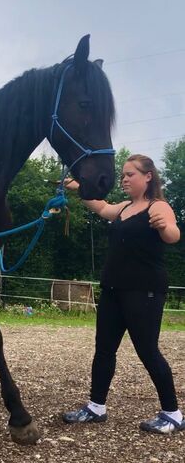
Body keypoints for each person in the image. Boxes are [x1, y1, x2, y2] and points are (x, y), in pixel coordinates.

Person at [62, 154, 184, 434]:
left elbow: (174, 235)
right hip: (113, 289)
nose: (125, 179)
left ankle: (173, 414)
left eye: (130, 174)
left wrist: (164, 226)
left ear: (148, 176)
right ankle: (96, 407)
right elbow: (102, 207)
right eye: (123, 175)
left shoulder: (159, 206)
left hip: (144, 290)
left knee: (148, 351)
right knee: (104, 349)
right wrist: (79, 187)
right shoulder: (125, 207)